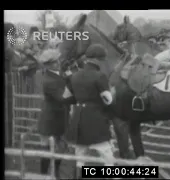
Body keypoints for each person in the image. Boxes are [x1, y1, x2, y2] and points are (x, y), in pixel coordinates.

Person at [67, 44, 115, 178]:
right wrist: (113, 94)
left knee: (80, 157)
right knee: (107, 156)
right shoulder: (100, 76)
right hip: (96, 119)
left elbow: (68, 97)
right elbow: (108, 100)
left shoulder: (74, 76)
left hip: (78, 118)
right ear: (97, 60)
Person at [37, 49, 76, 180]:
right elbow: (63, 97)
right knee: (48, 150)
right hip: (51, 121)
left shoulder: (54, 74)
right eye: (56, 61)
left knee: (59, 149)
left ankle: (55, 173)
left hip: (57, 118)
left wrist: (67, 71)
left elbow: (62, 80)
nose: (59, 62)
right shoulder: (49, 80)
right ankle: (43, 175)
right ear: (49, 64)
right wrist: (71, 80)